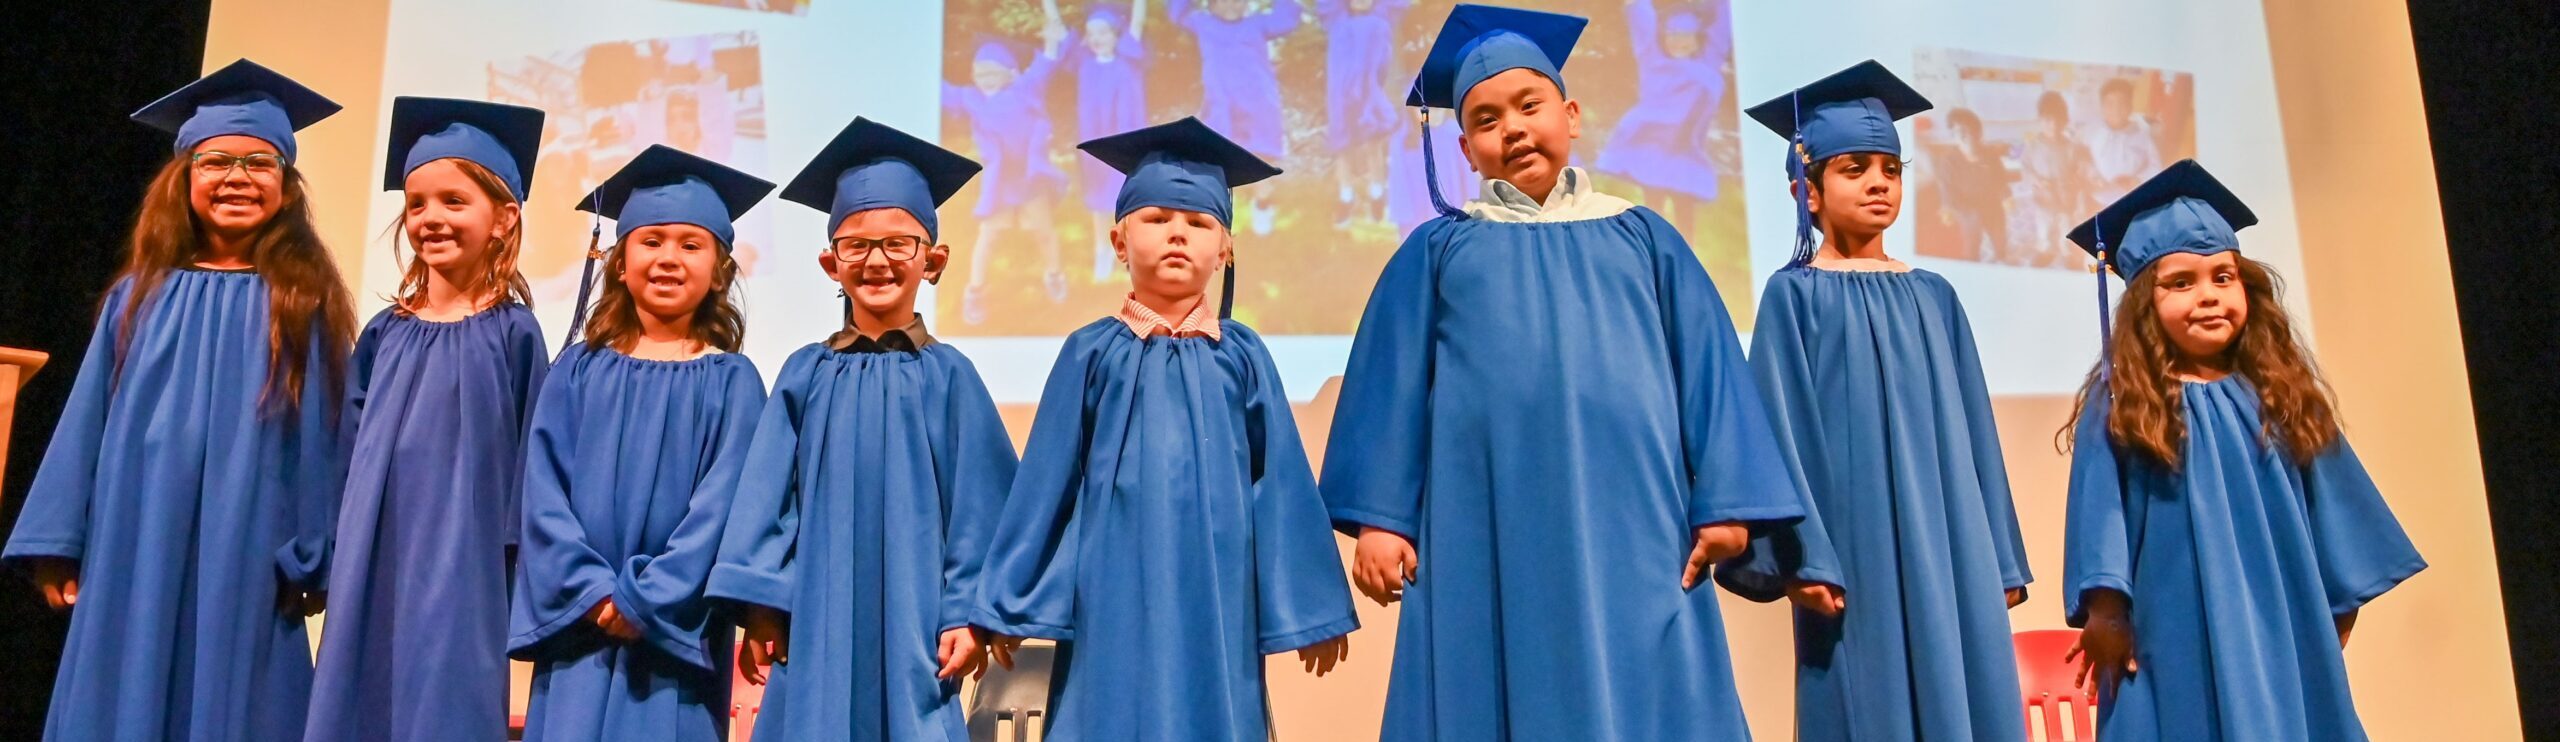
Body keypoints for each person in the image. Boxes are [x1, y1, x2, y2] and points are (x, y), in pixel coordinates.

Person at [1323, 6, 1801, 739]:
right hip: (1484, 524)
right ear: (1466, 149)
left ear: (1571, 115)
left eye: (1529, 105)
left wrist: (1729, 503)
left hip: (1640, 522)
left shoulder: (1643, 236)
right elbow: (1388, 391)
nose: (1511, 127)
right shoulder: (1438, 252)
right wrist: (1381, 522)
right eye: (1486, 119)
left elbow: (1710, 371)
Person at [974, 117, 1356, 741]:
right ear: (1119, 241)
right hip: (1110, 581)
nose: (1178, 235)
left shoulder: (1242, 354)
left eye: (1199, 223)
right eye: (1156, 220)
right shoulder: (1091, 352)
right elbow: (1047, 482)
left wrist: (1311, 604)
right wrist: (1008, 600)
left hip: (1219, 584)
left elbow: (1280, 478)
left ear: (1225, 249)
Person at [6, 59, 354, 742]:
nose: (236, 178)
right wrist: (60, 542)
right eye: (215, 161)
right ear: (183, 180)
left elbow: (320, 436)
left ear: (286, 189)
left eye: (260, 164)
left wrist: (315, 553)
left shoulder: (300, 304)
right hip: (135, 532)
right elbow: (87, 427)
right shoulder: (138, 298)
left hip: (247, 541)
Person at [2060, 160, 2425, 741]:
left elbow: (2336, 517)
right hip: (2171, 631)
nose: (2207, 297)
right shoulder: (2125, 400)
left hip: (2278, 624)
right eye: (2180, 283)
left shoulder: (2281, 394)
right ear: (2141, 305)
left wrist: (2327, 616)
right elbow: (2101, 512)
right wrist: (2106, 610)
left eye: (2223, 278)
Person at [1722, 60, 2032, 742]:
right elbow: (1779, 430)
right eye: (1854, 168)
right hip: (1855, 546)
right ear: (1808, 190)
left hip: (1951, 538)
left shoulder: (1934, 295)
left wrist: (2001, 558)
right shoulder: (1793, 295)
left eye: (1890, 168)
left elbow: (1977, 433)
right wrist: (1803, 556)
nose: (1877, 183)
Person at [710, 118, 1018, 740]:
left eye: (899, 243)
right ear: (831, 263)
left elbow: (982, 512)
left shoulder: (951, 377)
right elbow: (769, 501)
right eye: (856, 245)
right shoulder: (805, 372)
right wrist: (765, 604)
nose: (877, 260)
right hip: (815, 618)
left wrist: (965, 612)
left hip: (918, 618)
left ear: (934, 260)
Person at [508, 145, 774, 741]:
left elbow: (722, 510)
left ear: (720, 270)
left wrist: (645, 599)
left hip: (672, 638)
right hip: (580, 626)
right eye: (650, 240)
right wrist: (593, 592)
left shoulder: (733, 381)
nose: (668, 258)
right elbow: (542, 494)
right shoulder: (576, 370)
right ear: (620, 262)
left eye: (690, 244)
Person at [306, 96, 551, 742]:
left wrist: (520, 571)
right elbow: (347, 451)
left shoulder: (516, 335)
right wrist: (329, 552)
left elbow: (533, 460)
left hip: (465, 558)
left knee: (446, 699)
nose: (430, 218)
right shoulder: (386, 333)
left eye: (453, 201)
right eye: (417, 204)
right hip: (374, 550)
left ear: (504, 218)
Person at [945, 32, 1072, 321]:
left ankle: (1054, 274)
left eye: (992, 71)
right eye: (979, 72)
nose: (984, 77)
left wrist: (1053, 27)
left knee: (1042, 231)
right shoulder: (971, 98)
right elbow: (940, 90)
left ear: (1010, 72)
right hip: (999, 181)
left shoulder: (1026, 87)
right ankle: (975, 291)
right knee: (989, 235)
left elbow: (1048, 59)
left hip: (1029, 177)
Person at [1168, 0, 1303, 234]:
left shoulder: (1258, 23)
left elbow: (1288, 18)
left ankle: (1262, 206)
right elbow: (1177, 12)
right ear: (1211, 4)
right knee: (1215, 159)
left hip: (1258, 103)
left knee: (1261, 159)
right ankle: (1213, 215)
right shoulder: (1203, 23)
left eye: (1238, 0)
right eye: (1224, 1)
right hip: (1222, 105)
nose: (1231, 5)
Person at [2085, 77, 2159, 205]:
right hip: (2100, 201)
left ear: (2130, 107)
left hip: (2134, 199)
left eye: (2122, 103)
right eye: (2110, 104)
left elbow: (2156, 167)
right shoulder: (2093, 135)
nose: (2116, 109)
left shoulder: (2143, 136)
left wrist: (2137, 180)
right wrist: (2094, 180)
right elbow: (2086, 164)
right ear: (2102, 107)